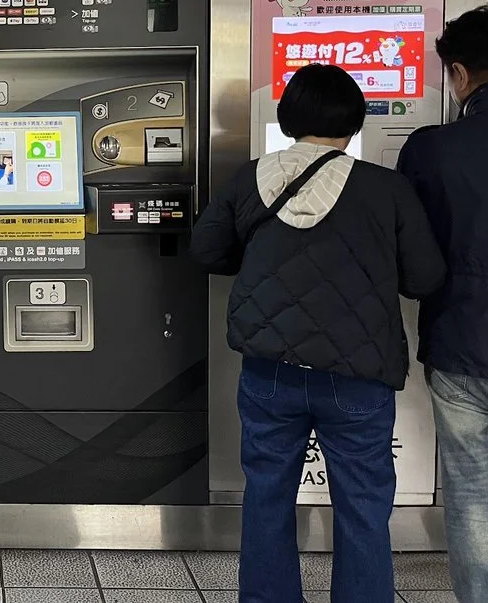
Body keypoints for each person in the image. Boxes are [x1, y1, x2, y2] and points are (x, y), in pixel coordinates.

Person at [191, 64, 446, 603]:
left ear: (288, 120)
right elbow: (424, 278)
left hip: (270, 371)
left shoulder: (251, 178)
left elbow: (206, 251)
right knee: (363, 505)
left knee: (266, 496)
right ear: (354, 123)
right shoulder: (386, 188)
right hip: (357, 375)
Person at [397, 5, 488, 603]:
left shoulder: (431, 150)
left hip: (461, 342)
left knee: (470, 496)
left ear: (461, 74)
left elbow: (411, 254)